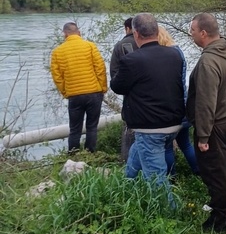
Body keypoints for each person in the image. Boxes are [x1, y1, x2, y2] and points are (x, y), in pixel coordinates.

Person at [110, 13, 185, 192]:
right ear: (157, 31)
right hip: (174, 123)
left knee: (157, 180)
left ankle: (168, 208)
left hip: (150, 128)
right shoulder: (174, 55)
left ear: (135, 33)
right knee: (135, 157)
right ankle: (125, 191)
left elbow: (117, 86)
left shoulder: (132, 60)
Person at [186, 12, 226, 233]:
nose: (190, 34)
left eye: (192, 30)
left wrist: (203, 136)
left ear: (203, 33)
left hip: (215, 126)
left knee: (215, 175)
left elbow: (205, 102)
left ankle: (218, 221)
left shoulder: (208, 61)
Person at [50, 21, 108, 153]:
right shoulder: (90, 46)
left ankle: (73, 155)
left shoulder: (57, 52)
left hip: (74, 95)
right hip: (93, 92)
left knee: (75, 129)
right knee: (92, 127)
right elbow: (100, 68)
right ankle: (90, 154)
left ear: (65, 34)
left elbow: (57, 76)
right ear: (79, 33)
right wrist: (103, 87)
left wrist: (65, 92)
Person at [156, 26, 199, 177]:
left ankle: (171, 177)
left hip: (169, 109)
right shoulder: (178, 52)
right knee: (186, 144)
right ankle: (199, 172)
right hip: (183, 105)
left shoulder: (161, 56)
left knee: (167, 147)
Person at [110, 17, 138, 161]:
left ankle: (127, 163)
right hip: (154, 100)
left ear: (127, 28)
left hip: (130, 99)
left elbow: (114, 75)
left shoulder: (120, 46)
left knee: (129, 133)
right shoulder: (154, 42)